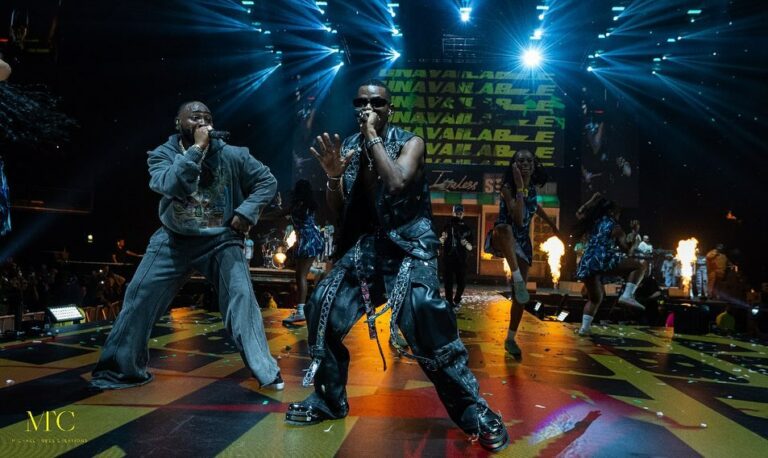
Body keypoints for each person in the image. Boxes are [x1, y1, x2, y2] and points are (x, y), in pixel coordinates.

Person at [285, 79, 509, 452]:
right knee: (322, 302)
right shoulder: (349, 147)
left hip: (409, 245)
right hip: (367, 248)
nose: (368, 107)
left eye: (377, 102)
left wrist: (372, 136)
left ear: (390, 109)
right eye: (361, 101)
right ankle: (329, 399)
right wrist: (334, 177)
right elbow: (339, 212)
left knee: (424, 314)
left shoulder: (411, 143)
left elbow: (395, 183)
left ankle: (474, 411)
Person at [90, 101, 283, 390]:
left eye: (207, 117)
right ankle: (119, 371)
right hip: (174, 239)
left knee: (242, 297)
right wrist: (196, 150)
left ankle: (266, 371)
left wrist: (246, 212)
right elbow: (171, 185)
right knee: (139, 295)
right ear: (178, 123)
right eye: (194, 117)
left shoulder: (234, 154)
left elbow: (267, 181)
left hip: (221, 240)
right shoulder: (162, 155)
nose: (202, 122)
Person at [483, 150, 559, 358]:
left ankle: (510, 338)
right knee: (504, 228)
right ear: (514, 165)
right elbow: (517, 219)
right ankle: (516, 278)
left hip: (522, 243)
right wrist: (519, 188)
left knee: (520, 298)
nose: (525, 163)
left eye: (529, 160)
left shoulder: (531, 188)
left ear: (534, 165)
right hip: (503, 237)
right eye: (520, 160)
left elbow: (534, 207)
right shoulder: (507, 188)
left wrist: (551, 223)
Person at [574, 194, 647, 336]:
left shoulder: (592, 222)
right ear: (612, 212)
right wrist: (635, 233)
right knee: (640, 266)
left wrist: (592, 200)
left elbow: (579, 213)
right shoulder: (616, 228)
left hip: (587, 262)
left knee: (595, 299)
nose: (619, 215)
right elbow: (628, 250)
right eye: (618, 212)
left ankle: (584, 329)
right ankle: (627, 295)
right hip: (602, 259)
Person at [282, 179, 324, 325]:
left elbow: (279, 213)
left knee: (300, 276)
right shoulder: (308, 205)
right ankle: (315, 271)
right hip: (311, 238)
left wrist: (257, 216)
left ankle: (300, 312)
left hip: (307, 240)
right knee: (296, 269)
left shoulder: (298, 205)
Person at [439, 204, 473, 309]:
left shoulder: (467, 228)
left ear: (463, 213)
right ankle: (449, 302)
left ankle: (457, 299)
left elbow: (471, 247)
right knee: (448, 283)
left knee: (462, 282)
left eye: (460, 212)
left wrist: (465, 243)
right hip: (448, 258)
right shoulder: (447, 226)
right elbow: (440, 240)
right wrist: (442, 240)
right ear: (453, 213)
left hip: (461, 260)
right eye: (457, 212)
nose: (458, 214)